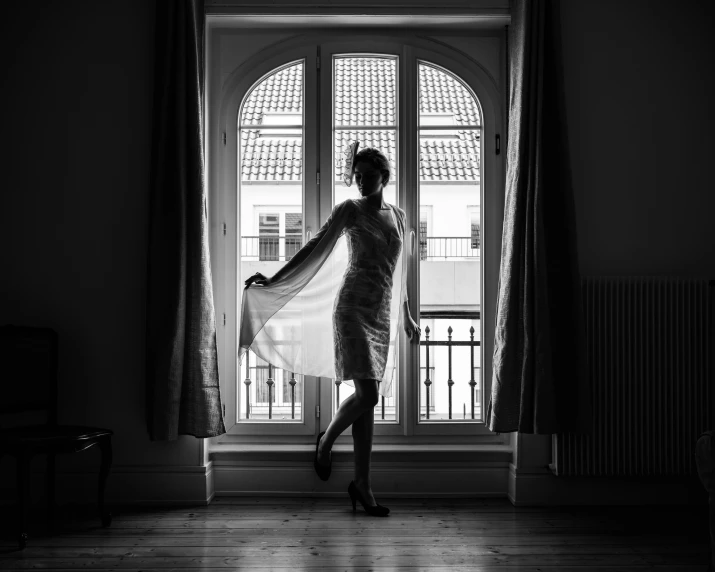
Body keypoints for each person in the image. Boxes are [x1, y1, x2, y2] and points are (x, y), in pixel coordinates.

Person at [243, 148, 420, 516]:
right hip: (352, 310)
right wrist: (275, 278)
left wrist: (406, 315)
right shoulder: (349, 210)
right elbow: (315, 245)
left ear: (384, 177)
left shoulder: (399, 217)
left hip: (380, 315)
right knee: (369, 395)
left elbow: (399, 271)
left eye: (368, 176)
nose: (361, 181)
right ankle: (325, 442)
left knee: (366, 403)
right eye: (357, 175)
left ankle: (363, 486)